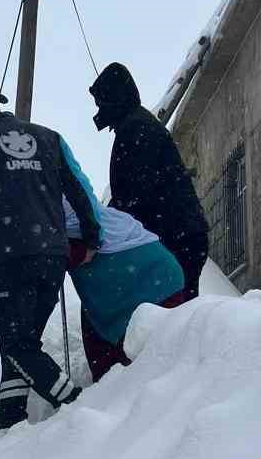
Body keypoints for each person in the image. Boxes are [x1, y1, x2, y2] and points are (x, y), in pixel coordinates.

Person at [0, 75, 101, 431]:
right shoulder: (50, 138)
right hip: (52, 256)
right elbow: (81, 191)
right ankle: (10, 425)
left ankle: (75, 405)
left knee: (18, 347)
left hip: (9, 259)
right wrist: (91, 238)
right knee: (22, 345)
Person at [89, 62, 210, 305]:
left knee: (171, 320)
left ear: (114, 98)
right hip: (182, 236)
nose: (100, 109)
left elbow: (136, 194)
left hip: (176, 238)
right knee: (175, 316)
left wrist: (108, 224)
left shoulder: (136, 129)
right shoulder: (137, 124)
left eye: (102, 101)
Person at [64, 203, 183, 382]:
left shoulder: (60, 216)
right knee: (155, 365)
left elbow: (79, 250)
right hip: (160, 272)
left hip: (149, 282)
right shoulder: (78, 204)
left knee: (148, 370)